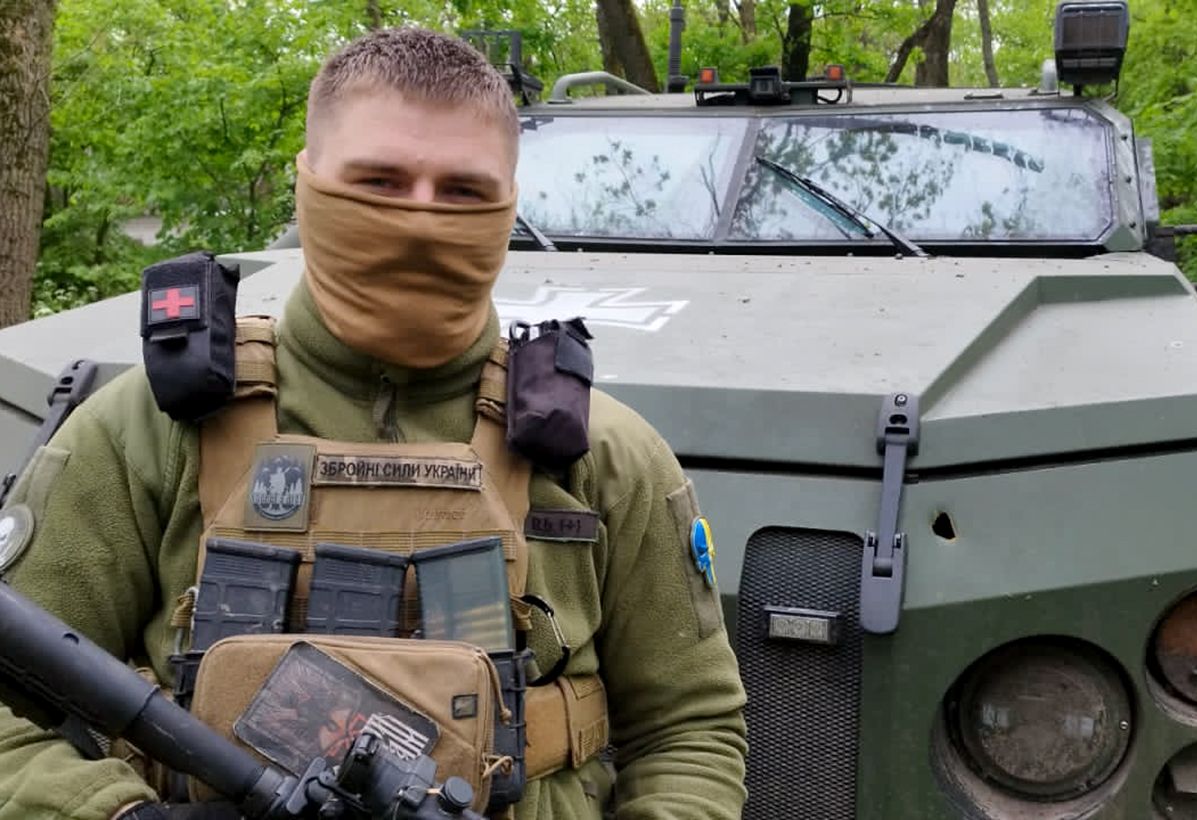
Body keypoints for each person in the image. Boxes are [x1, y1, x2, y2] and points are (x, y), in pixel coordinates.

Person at [0, 27, 747, 820]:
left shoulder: (607, 455)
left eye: (462, 191)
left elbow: (689, 731)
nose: (419, 220)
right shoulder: (147, 431)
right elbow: (12, 708)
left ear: (508, 204)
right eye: (379, 181)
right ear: (307, 185)